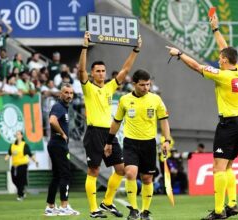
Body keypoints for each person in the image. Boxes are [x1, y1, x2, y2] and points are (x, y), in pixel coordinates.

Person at [166, 12, 238, 219]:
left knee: (217, 168)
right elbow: (225, 48)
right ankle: (233, 204)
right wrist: (215, 29)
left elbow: (196, 66)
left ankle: (219, 211)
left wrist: (179, 54)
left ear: (227, 61)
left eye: (221, 59)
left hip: (228, 125)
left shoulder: (223, 76)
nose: (219, 60)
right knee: (228, 166)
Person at [78, 31, 141, 218]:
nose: (100, 73)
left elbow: (125, 70)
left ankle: (106, 202)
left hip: (109, 134)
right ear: (92, 73)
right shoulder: (88, 87)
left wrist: (135, 50)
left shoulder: (109, 87)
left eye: (103, 71)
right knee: (94, 170)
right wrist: (85, 47)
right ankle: (93, 209)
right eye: (97, 71)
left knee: (121, 169)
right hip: (94, 132)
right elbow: (81, 71)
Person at [104, 70, 171, 220]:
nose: (146, 87)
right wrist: (109, 142)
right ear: (134, 84)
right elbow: (116, 122)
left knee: (147, 178)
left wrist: (166, 140)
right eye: (142, 85)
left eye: (148, 84)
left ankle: (145, 211)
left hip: (149, 144)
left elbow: (164, 120)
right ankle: (133, 210)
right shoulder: (124, 100)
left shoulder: (156, 99)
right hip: (130, 143)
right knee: (130, 173)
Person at [44, 83, 80, 216]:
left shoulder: (63, 108)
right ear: (60, 94)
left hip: (55, 144)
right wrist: (63, 134)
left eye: (71, 93)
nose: (69, 95)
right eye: (66, 92)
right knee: (65, 174)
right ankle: (64, 206)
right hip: (58, 144)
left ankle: (50, 206)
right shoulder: (58, 107)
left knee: (57, 176)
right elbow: (52, 121)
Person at [4, 130, 38, 201]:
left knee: (20, 180)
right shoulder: (12, 145)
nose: (17, 136)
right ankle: (22, 190)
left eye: (19, 134)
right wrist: (6, 158)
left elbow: (30, 154)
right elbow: (9, 153)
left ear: (21, 136)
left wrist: (35, 161)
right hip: (14, 165)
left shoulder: (24, 145)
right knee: (14, 180)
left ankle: (20, 195)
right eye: (16, 134)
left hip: (23, 165)